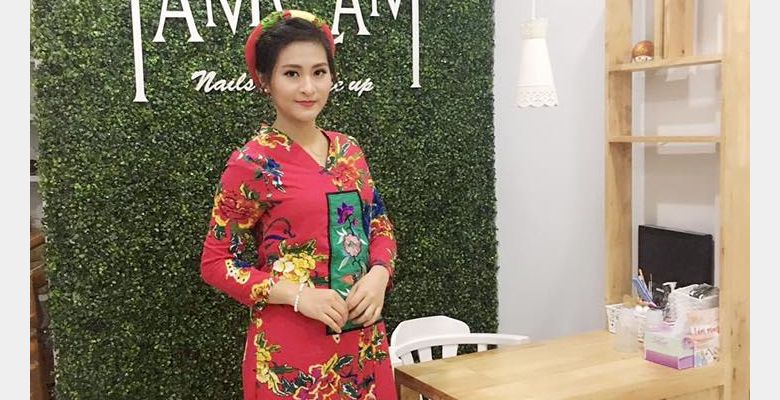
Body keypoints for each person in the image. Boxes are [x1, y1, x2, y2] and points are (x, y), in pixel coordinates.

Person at [200, 10, 398, 400]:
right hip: (291, 357)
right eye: (292, 73)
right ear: (265, 80)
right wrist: (297, 295)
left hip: (363, 344)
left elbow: (379, 226)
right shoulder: (252, 163)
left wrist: (379, 274)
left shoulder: (349, 150)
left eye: (319, 72)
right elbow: (216, 263)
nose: (308, 87)